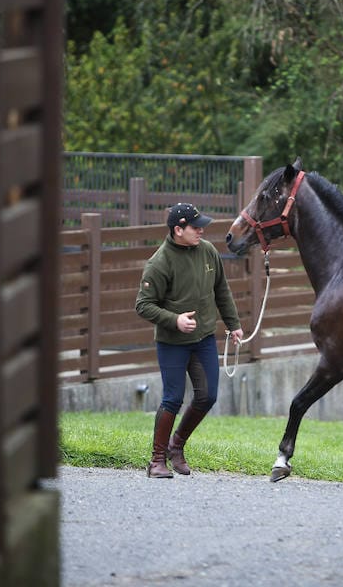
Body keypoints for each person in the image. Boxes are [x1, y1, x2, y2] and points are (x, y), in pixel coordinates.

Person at [135, 203, 244, 478]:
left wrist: (234, 326)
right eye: (195, 227)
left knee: (208, 396)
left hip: (204, 338)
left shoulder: (208, 251)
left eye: (201, 226)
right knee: (172, 398)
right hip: (172, 342)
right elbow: (143, 305)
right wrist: (175, 320)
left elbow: (222, 290)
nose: (201, 230)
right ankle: (157, 461)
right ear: (178, 230)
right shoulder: (159, 262)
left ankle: (177, 446)